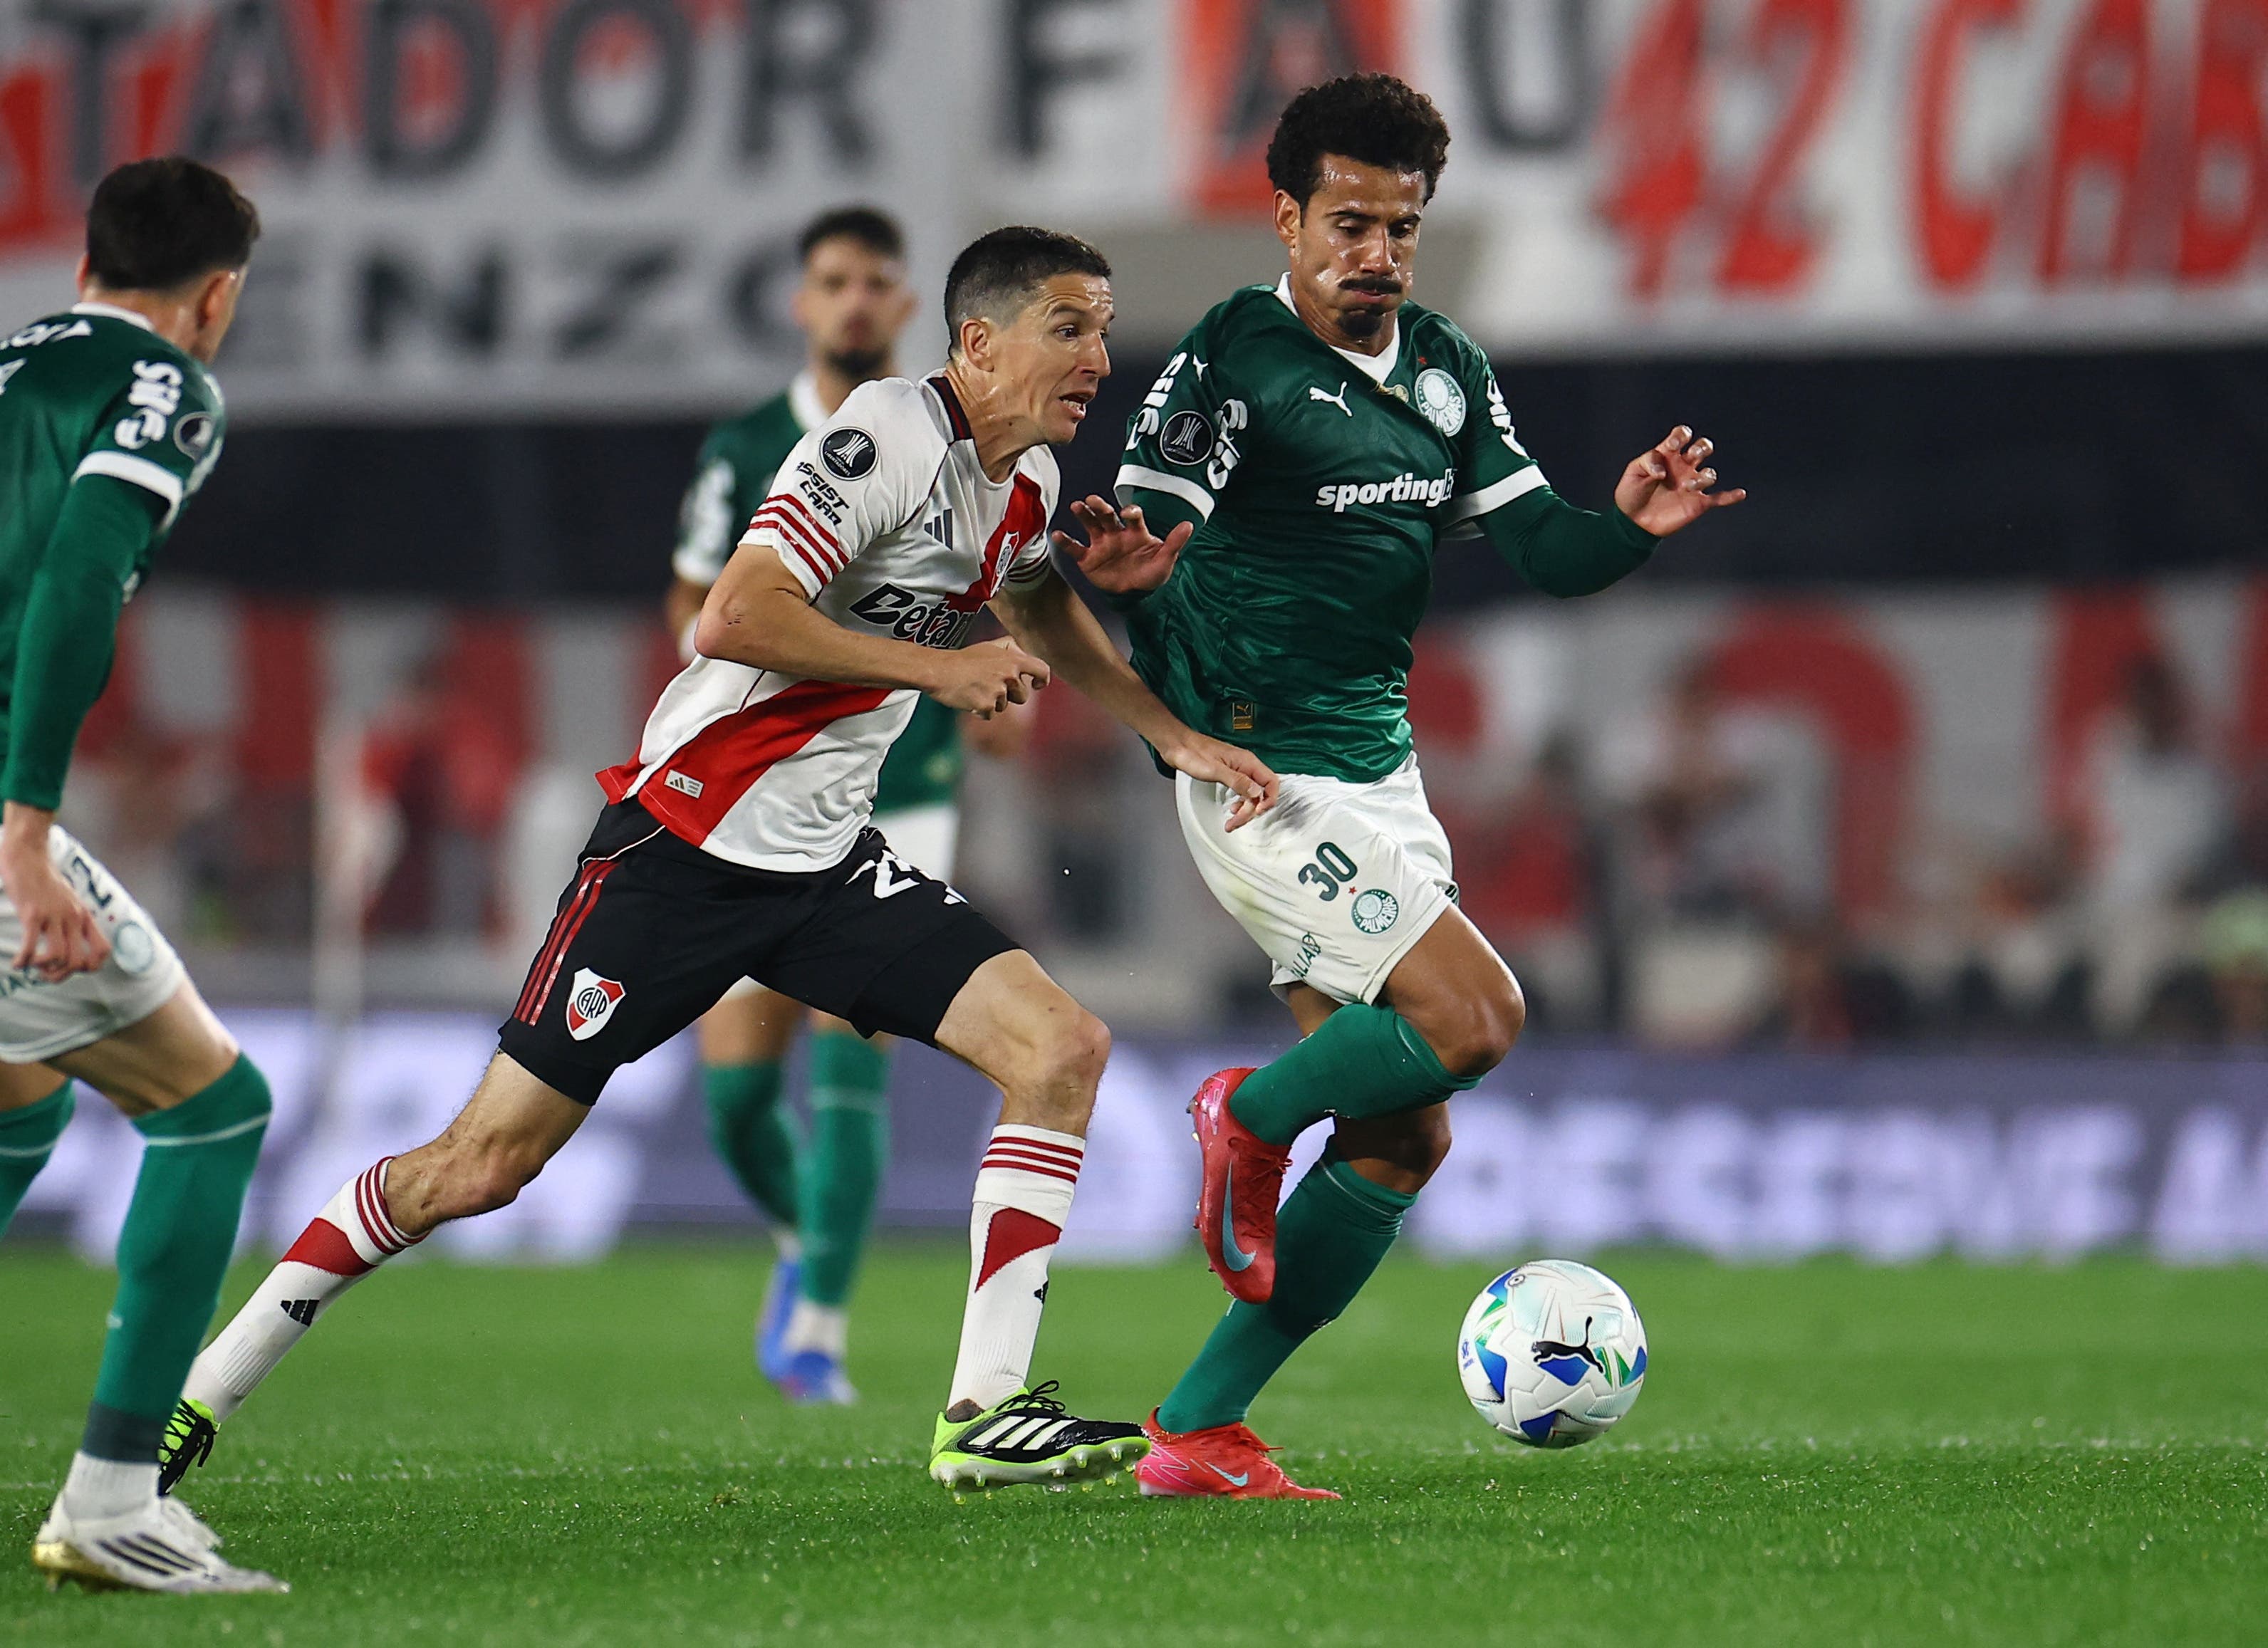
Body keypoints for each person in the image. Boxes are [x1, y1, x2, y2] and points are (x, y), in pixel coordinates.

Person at [164, 226, 1281, 1496]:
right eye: (1070, 327)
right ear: (980, 342)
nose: (1097, 355)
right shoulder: (885, 435)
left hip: (822, 870)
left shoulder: (1020, 485)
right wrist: (941, 665)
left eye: (1101, 327)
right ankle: (200, 1388)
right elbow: (731, 614)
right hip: (683, 848)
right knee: (478, 1167)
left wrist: (1170, 734)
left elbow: (1035, 608)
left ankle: (984, 1410)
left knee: (1062, 1049)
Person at [1058, 75, 1743, 1498]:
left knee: (1397, 1134)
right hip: (1254, 767)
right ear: (1286, 220)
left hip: (1376, 771)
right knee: (1477, 1014)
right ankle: (1242, 1115)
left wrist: (1625, 525)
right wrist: (1132, 573)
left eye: (1401, 226)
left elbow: (1543, 549)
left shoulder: (1440, 364)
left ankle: (1192, 1431)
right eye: (1349, 223)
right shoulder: (1226, 359)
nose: (1375, 251)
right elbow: (1152, 536)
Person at [665, 206, 1022, 1405]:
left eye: (877, 281)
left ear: (906, 303)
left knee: (848, 1044)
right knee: (735, 1093)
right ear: (802, 303)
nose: (857, 301)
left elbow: (986, 586)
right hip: (760, 778)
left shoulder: (952, 442)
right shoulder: (750, 443)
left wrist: (996, 669)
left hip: (903, 783)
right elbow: (697, 605)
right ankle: (799, 1242)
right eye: (835, 281)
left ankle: (818, 1323)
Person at [0, 157, 284, 1593]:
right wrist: (25, 824)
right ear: (217, 292)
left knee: (20, 1097)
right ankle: (115, 1498)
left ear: (82, 262)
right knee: (211, 1108)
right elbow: (72, 579)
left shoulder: (8, 366)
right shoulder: (166, 389)